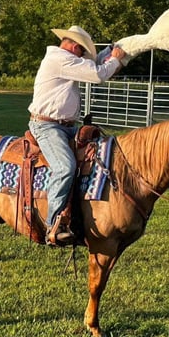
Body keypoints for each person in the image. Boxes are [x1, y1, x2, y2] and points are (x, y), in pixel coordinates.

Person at [28, 25, 126, 246]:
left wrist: (109, 52)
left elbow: (92, 65)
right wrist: (117, 59)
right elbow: (97, 74)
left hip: (65, 126)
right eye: (82, 52)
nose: (82, 56)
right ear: (74, 47)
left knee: (101, 155)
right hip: (47, 127)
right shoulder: (60, 59)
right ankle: (53, 224)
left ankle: (84, 214)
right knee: (65, 167)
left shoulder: (63, 58)